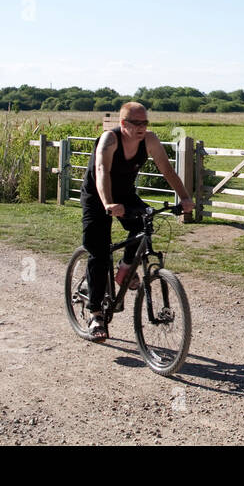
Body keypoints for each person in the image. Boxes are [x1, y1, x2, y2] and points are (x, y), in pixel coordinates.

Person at [79, 102, 193, 340]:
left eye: (145, 122)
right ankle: (96, 314)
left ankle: (125, 269)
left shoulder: (149, 140)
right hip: (97, 195)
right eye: (136, 123)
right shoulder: (110, 140)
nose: (142, 127)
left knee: (145, 225)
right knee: (99, 252)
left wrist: (184, 197)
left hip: (125, 194)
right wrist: (108, 204)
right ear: (123, 124)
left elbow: (167, 170)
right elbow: (101, 170)